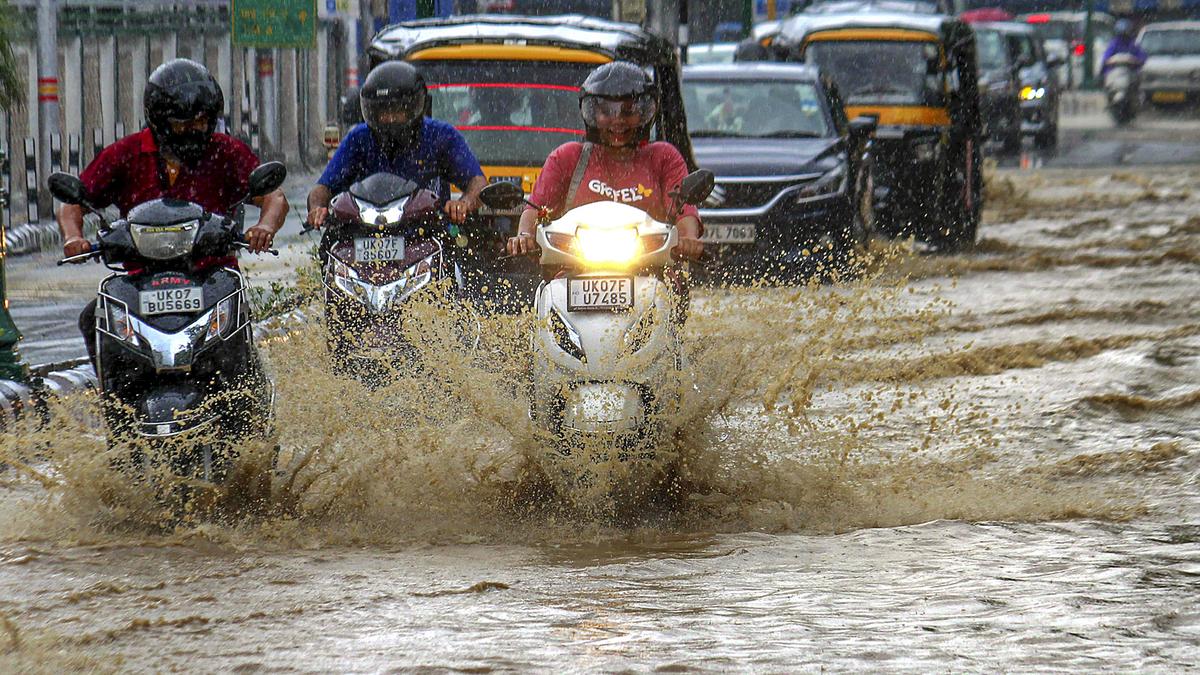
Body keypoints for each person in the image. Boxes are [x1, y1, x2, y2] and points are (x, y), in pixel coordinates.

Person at [58, 58, 289, 365]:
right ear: (159, 120)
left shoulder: (225, 152)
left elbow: (273, 196)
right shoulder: (125, 154)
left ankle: (244, 399)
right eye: (184, 123)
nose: (195, 130)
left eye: (202, 121)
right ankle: (113, 405)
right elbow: (74, 202)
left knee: (235, 319)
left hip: (210, 276)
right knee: (93, 318)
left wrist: (265, 228)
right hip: (140, 279)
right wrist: (74, 237)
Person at [505, 61, 704, 261]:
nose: (617, 120)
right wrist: (524, 236)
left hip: (655, 273)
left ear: (645, 112)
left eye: (628, 111)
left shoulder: (664, 157)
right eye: (607, 112)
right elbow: (535, 209)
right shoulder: (567, 157)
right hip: (571, 271)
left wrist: (688, 239)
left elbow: (684, 211)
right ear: (591, 113)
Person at [305, 61, 486, 232]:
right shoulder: (358, 139)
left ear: (414, 107)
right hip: (365, 234)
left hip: (427, 234)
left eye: (397, 111)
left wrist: (463, 203)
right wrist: (317, 208)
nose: (390, 119)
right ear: (370, 111)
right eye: (383, 112)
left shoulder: (441, 136)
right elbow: (322, 188)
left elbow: (478, 183)